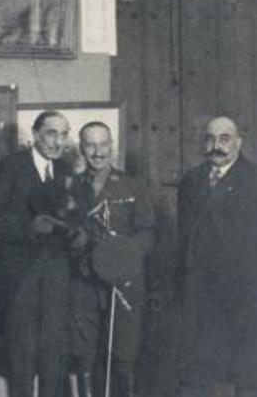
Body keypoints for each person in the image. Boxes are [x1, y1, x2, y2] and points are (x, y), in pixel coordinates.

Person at [177, 116, 257, 396]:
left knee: (246, 375)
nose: (216, 146)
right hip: (200, 298)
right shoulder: (191, 182)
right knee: (198, 372)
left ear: (238, 143)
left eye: (224, 139)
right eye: (210, 139)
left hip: (245, 297)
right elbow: (185, 239)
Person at [0, 110, 75, 397]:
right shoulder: (11, 167)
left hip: (57, 275)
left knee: (53, 357)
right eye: (50, 133)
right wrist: (28, 227)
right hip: (19, 278)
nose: (57, 141)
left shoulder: (67, 172)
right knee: (21, 358)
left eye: (63, 134)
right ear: (35, 134)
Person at [65, 122, 154, 397]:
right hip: (84, 282)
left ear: (112, 147)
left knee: (124, 352)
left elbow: (148, 233)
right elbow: (63, 234)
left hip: (123, 283)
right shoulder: (70, 187)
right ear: (81, 149)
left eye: (103, 145)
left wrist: (122, 258)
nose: (97, 151)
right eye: (90, 145)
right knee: (83, 352)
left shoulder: (133, 186)